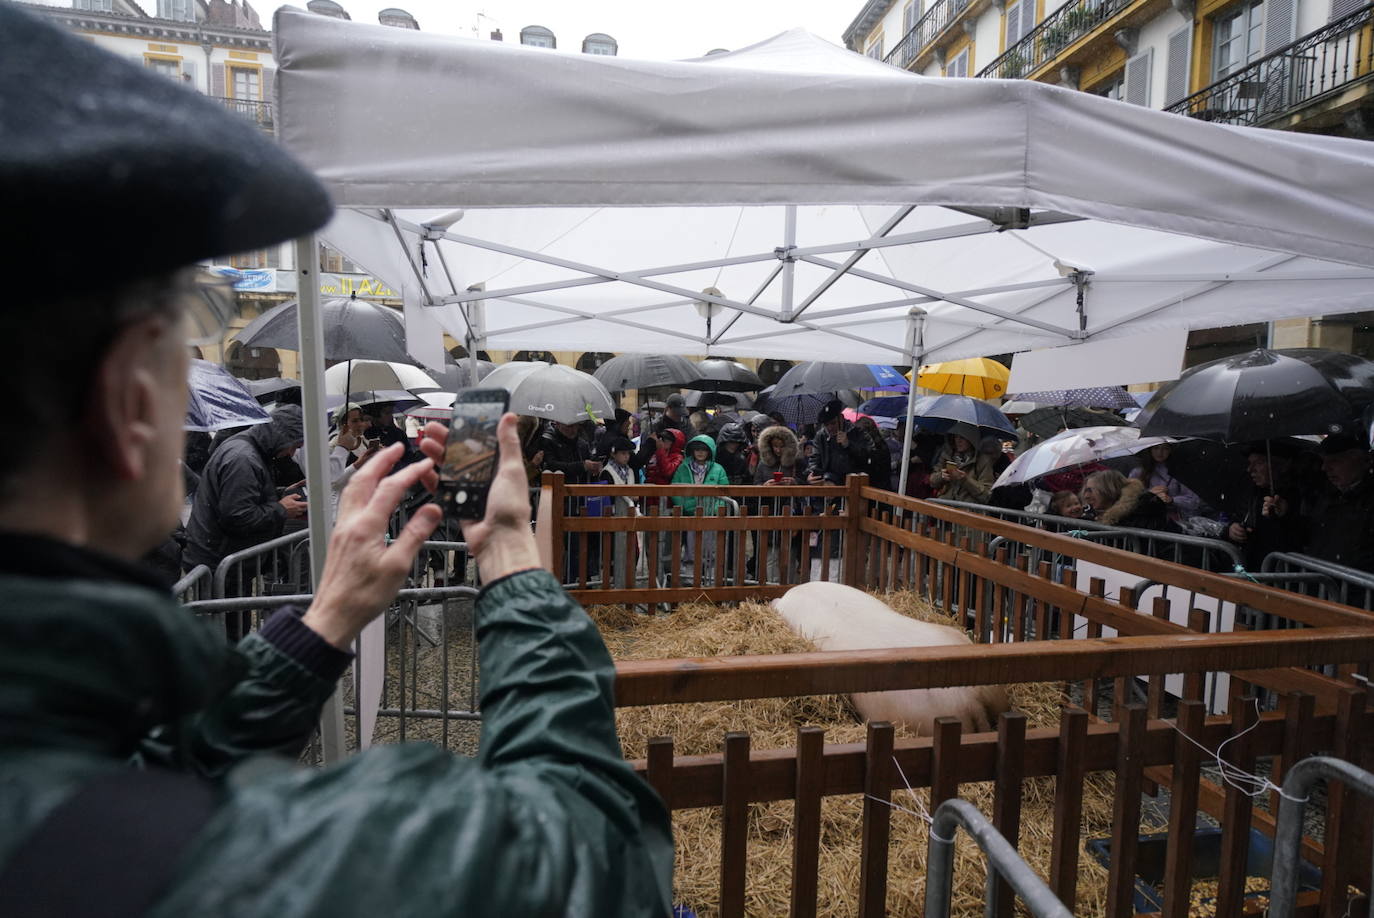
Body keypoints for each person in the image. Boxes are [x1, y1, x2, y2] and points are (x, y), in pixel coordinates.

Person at [0, 10, 673, 915]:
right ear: (127, 398)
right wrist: (510, 556)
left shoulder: (61, 787)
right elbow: (596, 844)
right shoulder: (276, 865)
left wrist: (323, 623)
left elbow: (137, 775)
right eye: (183, 337)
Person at [183, 404, 308, 574]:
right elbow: (238, 516)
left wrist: (281, 493)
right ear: (282, 436)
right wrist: (281, 509)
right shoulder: (243, 459)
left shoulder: (249, 449)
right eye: (293, 446)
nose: (292, 453)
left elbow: (243, 496)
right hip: (219, 563)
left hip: (220, 559)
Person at [1224, 442, 1308, 569]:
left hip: (1281, 576)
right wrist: (1232, 530)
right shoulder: (1252, 492)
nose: (1250, 469)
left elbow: (1304, 537)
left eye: (1259, 463)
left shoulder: (1302, 495)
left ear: (1282, 465)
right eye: (1250, 463)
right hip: (1253, 570)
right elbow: (1239, 518)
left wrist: (1285, 515)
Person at [1305, 433, 1374, 571]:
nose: (1325, 468)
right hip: (1322, 584)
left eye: (1335, 461)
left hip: (1349, 587)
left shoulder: (1368, 500)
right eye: (1324, 461)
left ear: (1364, 461)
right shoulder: (1327, 495)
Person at [1128, 442, 1202, 524]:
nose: (1160, 452)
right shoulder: (1138, 472)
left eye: (1165, 448)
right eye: (1156, 448)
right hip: (1146, 521)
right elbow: (1128, 498)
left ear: (1170, 450)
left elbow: (1194, 501)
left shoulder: (1181, 472)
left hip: (1174, 522)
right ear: (1150, 449)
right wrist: (1148, 494)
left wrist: (1172, 500)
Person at [806, 399, 873, 487]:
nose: (830, 428)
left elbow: (868, 457)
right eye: (826, 425)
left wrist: (848, 445)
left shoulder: (857, 432)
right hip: (828, 483)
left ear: (841, 418)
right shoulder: (821, 436)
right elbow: (814, 459)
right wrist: (812, 473)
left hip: (852, 485)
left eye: (833, 423)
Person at [1080, 469, 1172, 530]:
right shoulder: (1094, 512)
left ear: (1108, 489)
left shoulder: (1143, 508)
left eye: (1090, 490)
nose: (1086, 496)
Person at [926, 425, 997, 504]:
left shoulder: (983, 461)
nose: (958, 441)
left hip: (968, 510)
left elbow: (986, 495)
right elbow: (932, 482)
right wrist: (941, 476)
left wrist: (965, 479)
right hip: (945, 507)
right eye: (956, 437)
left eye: (962, 437)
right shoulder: (947, 455)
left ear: (971, 440)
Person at [540, 419, 600, 484]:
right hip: (556, 488)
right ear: (558, 424)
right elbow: (552, 465)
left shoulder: (582, 444)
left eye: (576, 425)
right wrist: (582, 466)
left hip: (580, 490)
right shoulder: (548, 440)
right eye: (569, 426)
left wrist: (594, 465)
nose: (573, 430)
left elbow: (589, 461)